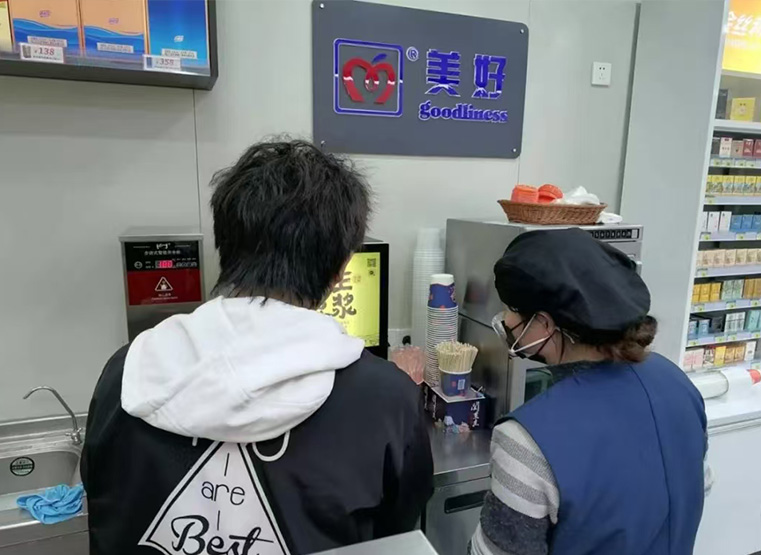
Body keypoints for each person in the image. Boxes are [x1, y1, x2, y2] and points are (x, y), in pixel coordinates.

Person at [82, 140, 433, 555]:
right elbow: (397, 528)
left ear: (226, 247)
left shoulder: (128, 372)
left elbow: (101, 497)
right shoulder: (386, 398)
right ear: (341, 268)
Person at [469, 228, 707, 555]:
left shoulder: (524, 441)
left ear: (544, 324)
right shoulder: (680, 385)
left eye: (511, 308)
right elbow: (698, 486)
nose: (506, 320)